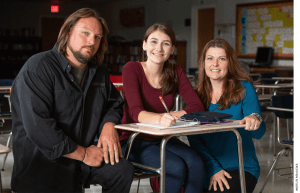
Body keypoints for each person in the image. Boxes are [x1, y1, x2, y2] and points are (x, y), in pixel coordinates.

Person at [11, 8, 134, 193]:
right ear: (68, 32)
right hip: (43, 164)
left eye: (98, 37)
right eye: (85, 33)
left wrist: (109, 125)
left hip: (81, 161)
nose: (92, 41)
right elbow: (40, 128)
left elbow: (114, 103)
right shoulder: (37, 68)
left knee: (121, 170)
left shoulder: (98, 72)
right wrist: (84, 154)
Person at [119, 23, 205, 193]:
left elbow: (197, 106)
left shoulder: (176, 71)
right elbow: (136, 112)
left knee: (197, 163)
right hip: (134, 140)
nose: (159, 48)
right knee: (175, 167)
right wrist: (160, 118)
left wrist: (171, 116)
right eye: (153, 41)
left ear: (172, 49)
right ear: (144, 45)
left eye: (166, 43)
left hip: (162, 138)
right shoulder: (132, 68)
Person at [187, 38, 266, 193]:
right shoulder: (196, 96)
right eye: (210, 58)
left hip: (242, 167)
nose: (215, 64)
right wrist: (213, 169)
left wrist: (254, 120)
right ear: (203, 63)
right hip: (208, 166)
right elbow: (194, 141)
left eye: (221, 59)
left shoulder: (244, 87)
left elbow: (259, 133)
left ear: (229, 63)